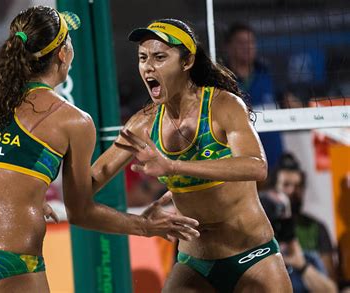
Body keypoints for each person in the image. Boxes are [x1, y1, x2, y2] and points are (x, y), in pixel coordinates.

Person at [0, 6, 199, 293]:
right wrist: (144, 225)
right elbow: (80, 212)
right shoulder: (72, 119)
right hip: (8, 257)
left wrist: (25, 192)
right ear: (62, 54)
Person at [89, 18, 292, 292]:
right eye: (142, 58)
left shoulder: (223, 105)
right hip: (196, 263)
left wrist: (173, 166)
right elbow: (90, 181)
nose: (148, 66)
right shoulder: (143, 123)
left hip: (252, 255)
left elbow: (257, 167)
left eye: (159, 57)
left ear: (186, 63)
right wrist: (37, 190)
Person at [260, 153, 337, 292]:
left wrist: (300, 263)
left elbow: (330, 283)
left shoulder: (316, 227)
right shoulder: (260, 227)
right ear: (273, 189)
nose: (292, 191)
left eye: (298, 186)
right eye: (286, 185)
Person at [224, 22, 283, 172]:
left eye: (251, 42)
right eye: (241, 43)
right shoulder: (220, 80)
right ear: (229, 47)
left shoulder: (268, 74)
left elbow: (288, 101)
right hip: (239, 162)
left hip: (273, 161)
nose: (247, 47)